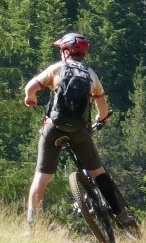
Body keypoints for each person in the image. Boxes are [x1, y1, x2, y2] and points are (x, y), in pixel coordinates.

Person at [23, 30, 134, 230]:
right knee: (98, 172)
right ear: (83, 53)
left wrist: (30, 98)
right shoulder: (89, 74)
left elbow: (31, 87)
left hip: (52, 127)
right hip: (78, 131)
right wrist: (101, 119)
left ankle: (30, 225)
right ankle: (121, 213)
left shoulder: (57, 69)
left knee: (41, 176)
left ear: (66, 51)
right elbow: (102, 107)